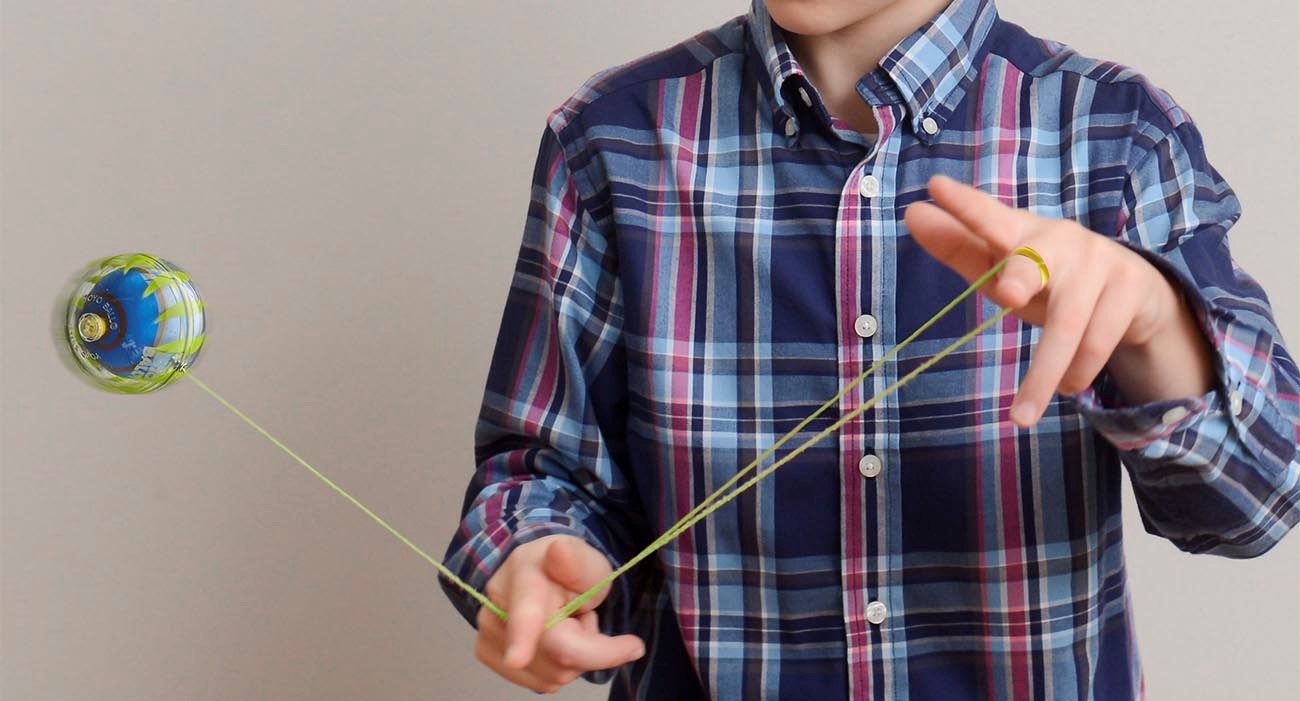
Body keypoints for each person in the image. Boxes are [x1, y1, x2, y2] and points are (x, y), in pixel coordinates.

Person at [441, 0, 1300, 697]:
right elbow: (539, 472)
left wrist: (1154, 323)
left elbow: (1257, 503)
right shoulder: (610, 140)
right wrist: (537, 558)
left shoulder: (1115, 134)